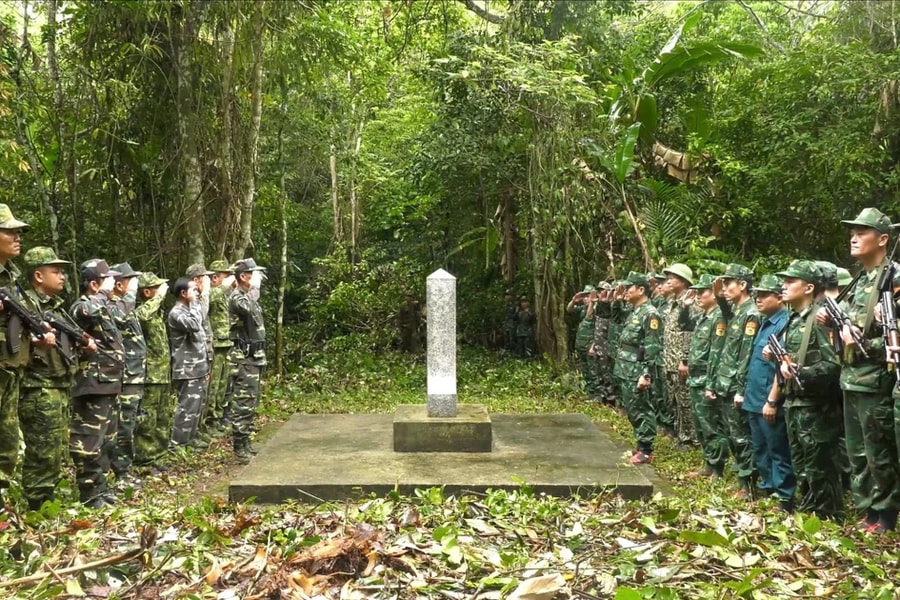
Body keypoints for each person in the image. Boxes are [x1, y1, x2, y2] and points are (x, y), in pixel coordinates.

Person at [819, 208, 900, 534]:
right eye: (852, 231)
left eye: (862, 232)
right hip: (852, 379)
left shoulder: (893, 279)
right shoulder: (859, 280)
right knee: (857, 453)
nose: (853, 237)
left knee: (879, 454)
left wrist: (868, 343)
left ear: (882, 239)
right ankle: (867, 512)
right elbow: (850, 331)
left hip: (877, 381)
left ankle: (885, 516)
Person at [775, 260, 843, 519]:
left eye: (791, 281)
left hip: (817, 408)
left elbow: (834, 366)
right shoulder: (794, 320)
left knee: (821, 469)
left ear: (809, 287)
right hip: (795, 403)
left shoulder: (821, 319)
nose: (784, 286)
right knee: (802, 466)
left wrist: (801, 373)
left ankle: (829, 519)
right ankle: (809, 515)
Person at [18, 247, 76, 510]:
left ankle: (47, 498)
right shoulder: (23, 306)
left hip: (58, 385)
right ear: (38, 276)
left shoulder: (57, 308)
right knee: (41, 450)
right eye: (56, 271)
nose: (62, 276)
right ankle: (37, 504)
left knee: (54, 449)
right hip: (37, 387)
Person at [69, 259, 125, 508]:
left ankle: (101, 488)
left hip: (109, 382)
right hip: (93, 383)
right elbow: (82, 313)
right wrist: (103, 296)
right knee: (88, 440)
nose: (114, 285)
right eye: (109, 280)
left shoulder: (105, 305)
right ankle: (90, 492)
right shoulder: (84, 305)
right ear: (94, 284)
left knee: (107, 439)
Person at [708, 263, 759, 499]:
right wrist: (719, 297)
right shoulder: (737, 311)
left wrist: (741, 388)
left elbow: (746, 354)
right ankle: (741, 478)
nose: (724, 288)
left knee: (741, 436)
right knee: (731, 433)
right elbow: (725, 312)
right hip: (725, 380)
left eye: (729, 283)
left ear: (743, 285)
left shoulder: (751, 313)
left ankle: (748, 484)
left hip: (736, 384)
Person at [744, 274, 793, 509]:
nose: (758, 299)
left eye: (764, 295)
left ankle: (784, 497)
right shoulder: (765, 322)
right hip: (754, 397)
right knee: (760, 448)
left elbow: (782, 367)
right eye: (757, 295)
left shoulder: (785, 324)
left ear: (779, 298)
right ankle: (767, 490)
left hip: (768, 399)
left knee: (777, 450)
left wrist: (772, 401)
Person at [681, 274, 728, 478]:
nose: (699, 296)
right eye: (697, 292)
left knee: (712, 425)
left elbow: (716, 352)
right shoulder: (703, 317)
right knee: (701, 424)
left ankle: (717, 467)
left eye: (703, 292)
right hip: (696, 377)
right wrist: (685, 306)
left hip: (707, 378)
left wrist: (711, 383)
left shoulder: (719, 317)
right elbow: (684, 324)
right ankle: (708, 463)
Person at [0, 205, 31, 509]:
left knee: (9, 444)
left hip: (10, 366)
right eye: (10, 231)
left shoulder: (11, 276)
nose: (17, 236)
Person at [614, 272, 663, 464]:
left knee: (641, 408)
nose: (626, 291)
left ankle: (646, 448)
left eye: (629, 288)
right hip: (626, 368)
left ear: (641, 290)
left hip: (637, 369)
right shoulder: (635, 311)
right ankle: (640, 443)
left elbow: (652, 347)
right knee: (632, 408)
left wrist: (646, 374)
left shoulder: (650, 314)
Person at [107, 263, 145, 486]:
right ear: (119, 284)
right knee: (123, 425)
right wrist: (130, 294)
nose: (135, 286)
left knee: (131, 423)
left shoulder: (124, 305)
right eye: (131, 281)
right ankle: (120, 472)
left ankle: (126, 469)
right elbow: (118, 319)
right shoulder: (113, 306)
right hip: (124, 376)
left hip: (135, 374)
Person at [229, 258, 267, 464]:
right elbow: (245, 308)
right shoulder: (238, 297)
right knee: (243, 403)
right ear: (243, 277)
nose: (257, 278)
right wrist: (255, 289)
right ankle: (239, 447)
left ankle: (245, 444)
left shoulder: (248, 296)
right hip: (243, 360)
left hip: (254, 357)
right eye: (253, 274)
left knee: (251, 402)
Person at [133, 272, 171, 469]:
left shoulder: (158, 315)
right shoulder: (142, 311)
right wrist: (157, 297)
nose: (162, 292)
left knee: (163, 419)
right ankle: (145, 461)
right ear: (147, 292)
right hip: (150, 376)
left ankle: (159, 456)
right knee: (147, 421)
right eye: (157, 288)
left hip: (163, 375)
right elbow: (142, 316)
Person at [168, 277, 210, 451]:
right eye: (193, 290)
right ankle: (178, 444)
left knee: (196, 408)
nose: (196, 292)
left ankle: (190, 440)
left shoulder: (192, 310)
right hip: (186, 368)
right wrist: (194, 303)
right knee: (186, 408)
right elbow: (193, 325)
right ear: (183, 293)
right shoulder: (176, 313)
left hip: (198, 367)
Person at [662, 263, 697, 445]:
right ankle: (678, 433)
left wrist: (684, 360)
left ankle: (689, 438)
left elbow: (689, 333)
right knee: (674, 400)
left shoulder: (691, 301)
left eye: (672, 278)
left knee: (685, 401)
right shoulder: (672, 303)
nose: (668, 281)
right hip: (669, 359)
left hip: (680, 361)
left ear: (683, 282)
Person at [205, 260, 234, 436]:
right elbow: (210, 299)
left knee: (223, 385)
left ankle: (218, 417)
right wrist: (224, 285)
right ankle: (209, 422)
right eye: (226, 275)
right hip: (214, 345)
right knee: (213, 386)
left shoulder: (224, 294)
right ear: (216, 277)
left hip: (225, 343)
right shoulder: (210, 293)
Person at [568, 285, 600, 400]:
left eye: (588, 296)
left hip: (590, 346)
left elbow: (598, 329)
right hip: (581, 345)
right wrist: (573, 301)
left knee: (593, 371)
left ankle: (597, 395)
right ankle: (590, 393)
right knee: (585, 371)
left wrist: (594, 346)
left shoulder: (596, 310)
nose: (586, 299)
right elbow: (569, 310)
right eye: (584, 297)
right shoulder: (582, 309)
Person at [503, 289, 518, 353]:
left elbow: (515, 316)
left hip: (513, 325)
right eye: (506, 295)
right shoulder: (506, 305)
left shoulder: (515, 305)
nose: (507, 296)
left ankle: (514, 353)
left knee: (513, 340)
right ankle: (509, 353)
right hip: (507, 325)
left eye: (508, 295)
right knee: (507, 340)